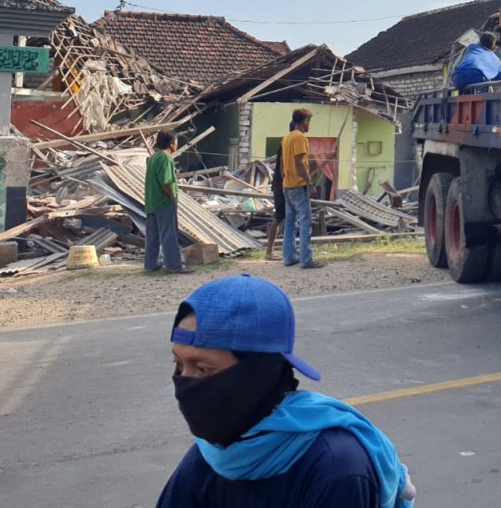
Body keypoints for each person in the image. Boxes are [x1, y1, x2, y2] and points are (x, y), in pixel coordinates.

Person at [157, 274, 416, 506]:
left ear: (258, 372)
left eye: (203, 369)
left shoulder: (336, 468)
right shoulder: (215, 452)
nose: (184, 382)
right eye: (178, 365)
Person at [145, 131, 193, 275]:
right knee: (169, 234)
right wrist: (172, 196)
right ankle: (174, 265)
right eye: (176, 142)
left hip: (151, 201)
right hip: (164, 201)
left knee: (152, 235)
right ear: (172, 144)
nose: (177, 145)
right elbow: (166, 181)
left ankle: (151, 264)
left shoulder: (153, 158)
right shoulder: (166, 158)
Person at [282, 108, 322, 269]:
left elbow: (284, 163)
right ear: (305, 121)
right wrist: (310, 184)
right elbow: (299, 162)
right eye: (309, 121)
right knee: (305, 222)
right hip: (299, 185)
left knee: (290, 223)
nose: (309, 125)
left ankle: (289, 257)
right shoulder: (300, 137)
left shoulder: (287, 137)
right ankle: (306, 259)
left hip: (287, 184)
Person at [265, 123, 296, 262]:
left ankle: (285, 249)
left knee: (284, 218)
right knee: (279, 217)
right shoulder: (287, 143)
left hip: (282, 184)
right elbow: (283, 165)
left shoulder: (286, 141)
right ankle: (269, 251)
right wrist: (286, 182)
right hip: (281, 185)